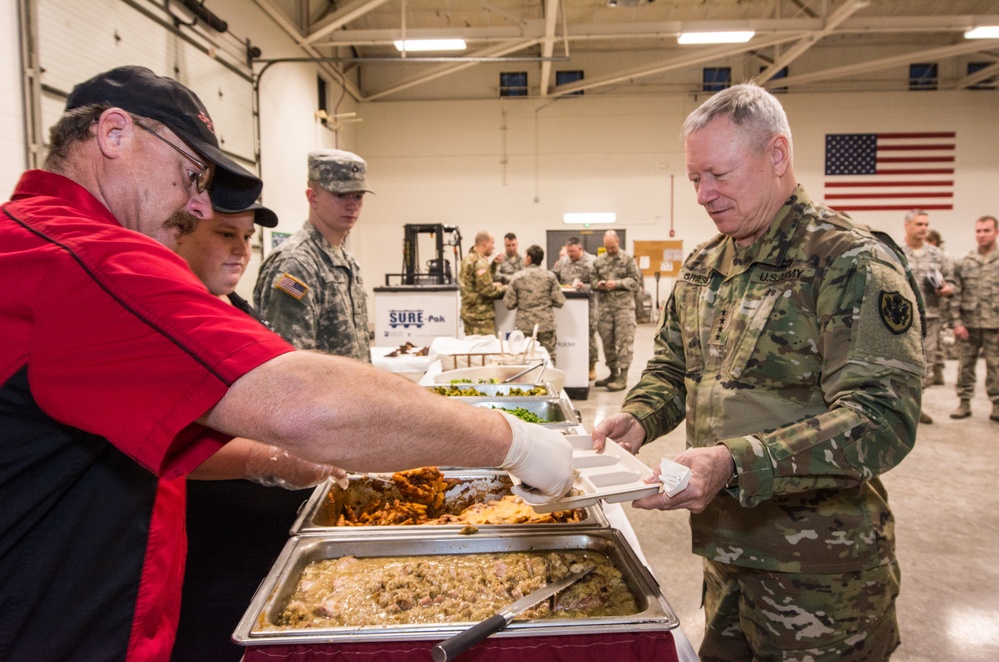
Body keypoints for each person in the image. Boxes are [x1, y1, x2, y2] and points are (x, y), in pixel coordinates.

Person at [0, 65, 573, 662]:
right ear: (114, 135)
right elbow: (305, 402)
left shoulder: (33, 243)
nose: (197, 204)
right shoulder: (85, 259)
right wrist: (516, 442)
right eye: (191, 175)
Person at [593, 83, 923, 661]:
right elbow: (673, 365)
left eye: (717, 174)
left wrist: (733, 463)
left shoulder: (849, 264)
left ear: (776, 155)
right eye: (695, 178)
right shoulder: (705, 265)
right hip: (728, 560)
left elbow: (882, 419)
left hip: (822, 580)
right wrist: (639, 416)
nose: (702, 194)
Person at [162, 202, 342, 661]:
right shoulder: (166, 321)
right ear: (178, 233)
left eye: (246, 238)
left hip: (261, 545)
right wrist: (267, 460)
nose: (241, 250)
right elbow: (164, 443)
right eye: (226, 234)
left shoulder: (233, 307)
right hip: (211, 555)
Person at [253, 149, 373, 362]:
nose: (352, 204)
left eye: (358, 196)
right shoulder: (296, 264)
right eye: (340, 194)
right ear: (313, 197)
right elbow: (290, 363)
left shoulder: (346, 261)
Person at [901, 209, 955, 423]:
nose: (924, 228)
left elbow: (953, 283)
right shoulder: (896, 251)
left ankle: (916, 407)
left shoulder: (938, 255)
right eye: (919, 224)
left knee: (926, 364)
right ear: (907, 226)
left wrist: (948, 289)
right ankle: (901, 408)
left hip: (930, 318)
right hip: (903, 318)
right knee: (902, 362)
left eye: (926, 224)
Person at [948, 215, 999, 421]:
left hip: (995, 324)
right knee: (965, 365)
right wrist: (956, 323)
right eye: (978, 231)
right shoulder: (963, 261)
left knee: (996, 365)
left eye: (986, 230)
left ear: (996, 232)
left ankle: (996, 404)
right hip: (968, 325)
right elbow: (955, 295)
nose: (982, 235)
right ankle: (964, 402)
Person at [592, 229, 641, 391]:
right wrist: (598, 284)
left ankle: (623, 376)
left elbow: (635, 281)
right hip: (605, 309)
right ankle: (613, 373)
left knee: (624, 342)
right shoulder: (599, 261)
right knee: (608, 343)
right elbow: (592, 279)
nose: (610, 250)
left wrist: (617, 284)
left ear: (618, 242)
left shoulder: (627, 259)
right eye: (607, 248)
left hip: (623, 309)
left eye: (612, 247)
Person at [503, 245, 566, 362]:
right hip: (546, 325)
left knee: (526, 358)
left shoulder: (517, 277)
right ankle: (549, 380)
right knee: (549, 357)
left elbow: (509, 303)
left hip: (525, 326)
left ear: (529, 258)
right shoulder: (550, 277)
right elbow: (560, 301)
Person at [552, 236, 599, 380]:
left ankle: (591, 366)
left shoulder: (592, 262)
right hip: (568, 306)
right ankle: (574, 365)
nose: (570, 255)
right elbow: (553, 277)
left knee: (589, 336)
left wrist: (585, 286)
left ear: (580, 249)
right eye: (568, 252)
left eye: (572, 251)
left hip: (588, 306)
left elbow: (598, 284)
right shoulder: (563, 261)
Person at [459, 230, 507, 335]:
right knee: (484, 348)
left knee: (472, 347)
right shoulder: (480, 262)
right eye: (492, 243)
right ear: (485, 243)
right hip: (480, 316)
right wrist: (505, 288)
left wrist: (494, 265)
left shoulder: (468, 258)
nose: (493, 247)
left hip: (468, 312)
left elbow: (476, 283)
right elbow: (487, 290)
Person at [925, 228, 953, 382]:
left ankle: (938, 370)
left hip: (936, 307)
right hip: (924, 308)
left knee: (936, 343)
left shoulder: (941, 257)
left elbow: (952, 282)